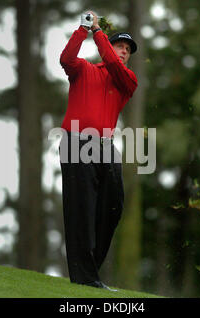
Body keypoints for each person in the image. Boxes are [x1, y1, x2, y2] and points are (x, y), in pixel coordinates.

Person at [58, 11, 138, 291]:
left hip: (104, 147)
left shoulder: (126, 80)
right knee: (81, 208)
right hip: (75, 142)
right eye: (121, 47)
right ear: (109, 47)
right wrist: (83, 29)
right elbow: (66, 59)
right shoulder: (84, 69)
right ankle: (85, 277)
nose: (125, 52)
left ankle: (90, 268)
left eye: (128, 50)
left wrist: (99, 32)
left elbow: (114, 66)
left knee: (113, 205)